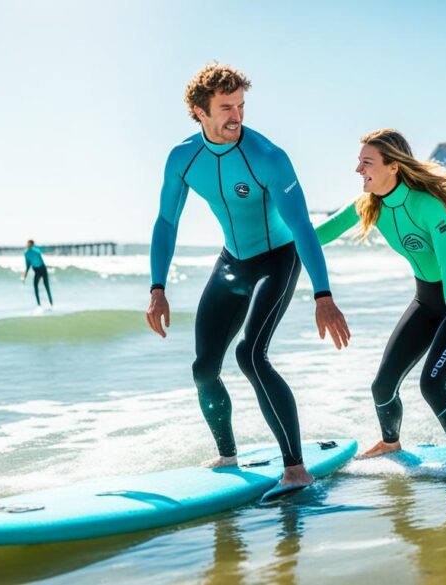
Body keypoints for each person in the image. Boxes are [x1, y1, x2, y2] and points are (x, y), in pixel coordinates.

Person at [146, 63, 350, 497]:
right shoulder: (183, 159)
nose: (236, 115)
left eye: (240, 105)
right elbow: (166, 221)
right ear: (200, 112)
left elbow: (303, 228)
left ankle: (296, 468)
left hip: (278, 258)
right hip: (232, 262)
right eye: (225, 107)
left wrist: (323, 294)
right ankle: (227, 455)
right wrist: (157, 288)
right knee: (204, 368)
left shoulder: (267, 157)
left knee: (251, 354)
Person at [315, 128, 446, 464]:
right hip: (426, 300)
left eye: (366, 162)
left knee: (433, 384)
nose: (358, 170)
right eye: (359, 162)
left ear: (393, 166)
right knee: (382, 386)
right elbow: (317, 236)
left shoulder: (427, 205)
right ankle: (390, 443)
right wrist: (273, 245)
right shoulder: (368, 205)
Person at [22, 240, 53, 306]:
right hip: (37, 271)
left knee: (46, 286)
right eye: (28, 244)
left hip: (43, 269)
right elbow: (27, 265)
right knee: (35, 287)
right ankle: (39, 305)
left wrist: (47, 250)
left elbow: (41, 251)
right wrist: (25, 276)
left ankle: (51, 304)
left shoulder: (36, 250)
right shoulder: (26, 253)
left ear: (32, 244)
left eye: (30, 244)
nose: (28, 245)